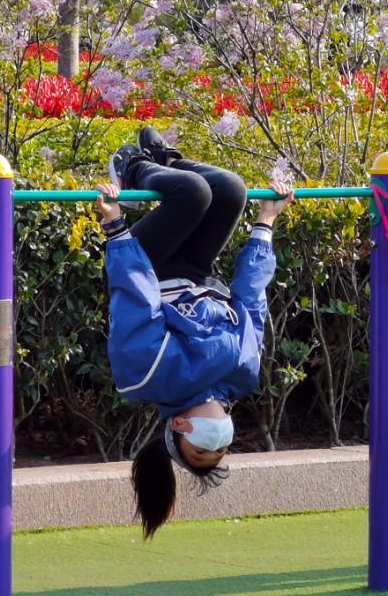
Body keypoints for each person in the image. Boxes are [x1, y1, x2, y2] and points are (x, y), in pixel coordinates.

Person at [96, 126, 294, 539]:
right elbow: (251, 301)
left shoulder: (150, 379)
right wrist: (266, 221)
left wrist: (116, 229)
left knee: (192, 194)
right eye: (221, 449)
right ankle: (164, 159)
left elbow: (136, 303)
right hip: (195, 272)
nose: (217, 443)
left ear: (179, 429)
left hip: (147, 267)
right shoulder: (242, 374)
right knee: (231, 190)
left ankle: (131, 166)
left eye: (203, 448)